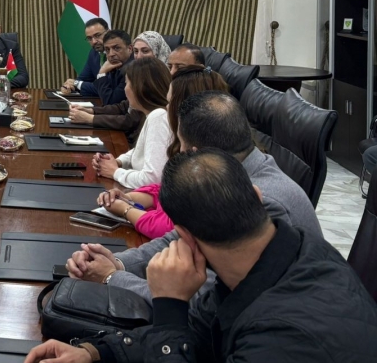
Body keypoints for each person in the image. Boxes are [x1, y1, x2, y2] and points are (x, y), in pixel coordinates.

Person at [27, 148, 377, 363]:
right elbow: (198, 332)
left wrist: (170, 307)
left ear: (184, 236)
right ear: (257, 197)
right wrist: (95, 353)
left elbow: (182, 335)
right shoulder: (280, 252)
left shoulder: (283, 336)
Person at [68, 91, 322, 302]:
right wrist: (117, 263)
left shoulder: (261, 201)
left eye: (179, 144)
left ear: (196, 153)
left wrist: (112, 278)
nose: (178, 152)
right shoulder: (236, 174)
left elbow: (200, 301)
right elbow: (181, 238)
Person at [96, 66, 230, 239]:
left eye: (169, 103)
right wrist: (131, 197)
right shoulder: (200, 152)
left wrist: (125, 209)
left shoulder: (209, 166)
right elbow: (163, 189)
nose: (166, 109)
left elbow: (168, 226)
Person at [68, 30, 171, 143]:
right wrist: (91, 111)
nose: (139, 56)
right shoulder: (131, 70)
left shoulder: (158, 80)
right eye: (136, 51)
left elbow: (131, 119)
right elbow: (123, 106)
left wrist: (90, 118)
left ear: (158, 52)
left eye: (145, 51)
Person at [92, 57, 171, 189]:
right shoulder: (154, 114)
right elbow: (141, 150)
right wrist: (118, 162)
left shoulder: (158, 117)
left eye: (127, 83)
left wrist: (115, 172)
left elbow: (153, 179)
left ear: (140, 88)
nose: (125, 89)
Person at [61, 18, 108, 97]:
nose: (94, 41)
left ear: (108, 32)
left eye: (97, 35)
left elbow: (107, 88)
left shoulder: (118, 55)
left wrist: (77, 83)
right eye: (89, 38)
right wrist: (70, 85)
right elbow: (83, 79)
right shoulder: (94, 53)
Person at [94, 30, 133, 106]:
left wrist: (101, 73)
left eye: (117, 48)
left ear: (130, 49)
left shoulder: (132, 69)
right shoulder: (114, 66)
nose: (111, 54)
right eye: (107, 49)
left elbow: (111, 102)